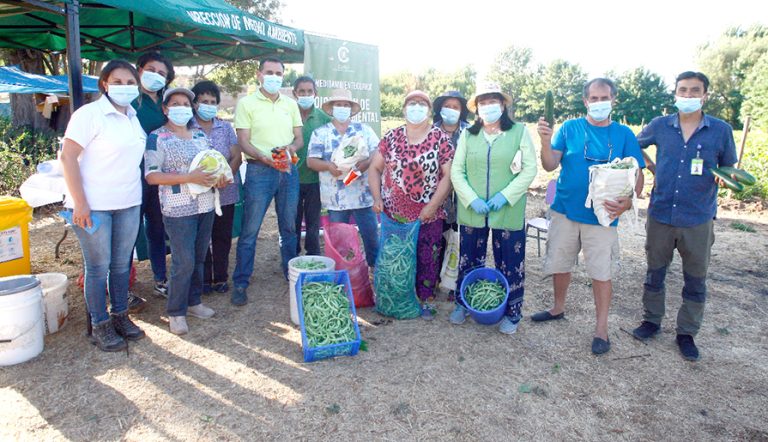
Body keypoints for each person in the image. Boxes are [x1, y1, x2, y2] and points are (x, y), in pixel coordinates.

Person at [631, 71, 738, 361]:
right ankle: (651, 321)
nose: (688, 96)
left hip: (698, 217)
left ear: (705, 95)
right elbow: (633, 145)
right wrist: (651, 167)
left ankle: (686, 333)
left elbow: (729, 168)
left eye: (694, 91)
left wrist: (725, 179)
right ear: (675, 93)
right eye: (683, 90)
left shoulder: (720, 130)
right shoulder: (660, 126)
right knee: (655, 272)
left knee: (695, 278)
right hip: (661, 212)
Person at [534, 78, 645, 355]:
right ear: (585, 101)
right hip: (565, 210)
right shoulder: (570, 128)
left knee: (601, 272)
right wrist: (545, 141)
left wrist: (629, 201)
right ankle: (558, 308)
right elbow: (549, 164)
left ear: (613, 100)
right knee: (561, 263)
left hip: (603, 216)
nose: (598, 103)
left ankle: (601, 329)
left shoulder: (624, 135)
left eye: (603, 98)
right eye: (593, 98)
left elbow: (637, 174)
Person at [60, 59, 146, 351]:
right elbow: (68, 157)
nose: (125, 87)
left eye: (130, 82)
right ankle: (100, 324)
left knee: (122, 265)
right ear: (105, 85)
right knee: (98, 267)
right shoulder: (90, 114)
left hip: (129, 203)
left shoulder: (133, 116)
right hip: (94, 206)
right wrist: (80, 203)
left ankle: (120, 315)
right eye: (118, 82)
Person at [449, 82, 538, 334]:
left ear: (503, 105)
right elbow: (457, 170)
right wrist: (469, 198)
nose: (488, 107)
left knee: (511, 261)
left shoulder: (519, 132)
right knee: (468, 259)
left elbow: (530, 168)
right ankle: (464, 303)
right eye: (483, 103)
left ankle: (512, 312)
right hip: (472, 211)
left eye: (493, 102)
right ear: (477, 109)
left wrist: (505, 196)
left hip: (507, 210)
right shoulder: (468, 134)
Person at [144, 87, 226, 335]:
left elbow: (212, 163)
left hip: (205, 204)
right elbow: (151, 175)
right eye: (175, 103)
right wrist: (188, 176)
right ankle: (176, 311)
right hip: (178, 208)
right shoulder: (157, 137)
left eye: (185, 104)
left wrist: (219, 178)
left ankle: (194, 302)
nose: (181, 107)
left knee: (200, 256)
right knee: (183, 260)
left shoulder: (200, 135)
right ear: (166, 109)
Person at [369, 90, 454, 320]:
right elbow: (375, 168)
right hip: (394, 214)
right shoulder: (391, 137)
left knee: (427, 256)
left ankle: (425, 299)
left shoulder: (440, 139)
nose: (416, 107)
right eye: (412, 103)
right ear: (404, 109)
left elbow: (448, 176)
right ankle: (395, 296)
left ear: (429, 110)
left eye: (422, 103)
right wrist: (377, 198)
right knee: (395, 257)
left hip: (429, 214)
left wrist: (432, 206)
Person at [231, 57, 303, 306]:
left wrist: (290, 149)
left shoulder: (290, 104)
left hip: (287, 171)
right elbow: (243, 141)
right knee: (250, 230)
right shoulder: (246, 103)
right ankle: (241, 282)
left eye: (279, 73)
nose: (274, 77)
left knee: (289, 227)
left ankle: (292, 275)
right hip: (259, 171)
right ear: (259, 74)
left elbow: (298, 139)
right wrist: (263, 157)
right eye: (269, 72)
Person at [307, 88, 380, 268]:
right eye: (338, 105)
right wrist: (328, 166)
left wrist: (366, 163)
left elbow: (378, 151)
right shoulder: (320, 133)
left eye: (346, 105)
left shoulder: (363, 130)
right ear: (331, 109)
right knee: (340, 241)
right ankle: (345, 273)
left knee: (371, 237)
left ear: (351, 109)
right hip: (336, 199)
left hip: (363, 195)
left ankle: (375, 271)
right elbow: (310, 161)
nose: (342, 108)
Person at [131, 51, 176, 309]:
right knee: (129, 232)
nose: (156, 76)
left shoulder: (166, 102)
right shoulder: (129, 102)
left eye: (162, 73)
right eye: (151, 69)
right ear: (139, 70)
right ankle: (120, 286)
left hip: (160, 178)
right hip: (132, 177)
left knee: (157, 228)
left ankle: (160, 278)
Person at [190, 80, 242, 294]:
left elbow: (237, 155)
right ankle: (203, 279)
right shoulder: (186, 128)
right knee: (201, 238)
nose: (209, 105)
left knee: (221, 236)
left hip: (225, 191)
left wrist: (226, 175)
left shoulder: (225, 127)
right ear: (195, 104)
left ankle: (220, 277)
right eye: (204, 101)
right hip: (198, 194)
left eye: (213, 101)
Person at [432, 91, 471, 297]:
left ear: (462, 111)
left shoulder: (470, 131)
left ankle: (456, 279)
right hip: (437, 193)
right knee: (438, 235)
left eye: (456, 107)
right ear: (439, 108)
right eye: (448, 105)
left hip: (463, 193)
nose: (451, 110)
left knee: (460, 237)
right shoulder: (432, 130)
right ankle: (437, 277)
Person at [293, 76, 331, 256]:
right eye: (302, 92)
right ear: (295, 94)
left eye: (309, 91)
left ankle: (313, 256)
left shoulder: (323, 118)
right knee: (292, 221)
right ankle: (292, 257)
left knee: (313, 222)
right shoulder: (289, 115)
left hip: (315, 179)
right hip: (291, 178)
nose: (306, 95)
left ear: (315, 94)